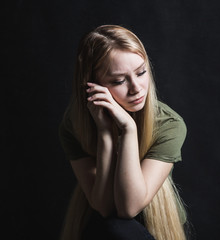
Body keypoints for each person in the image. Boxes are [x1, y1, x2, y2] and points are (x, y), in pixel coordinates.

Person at [58, 25, 188, 240]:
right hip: (101, 226)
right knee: (112, 228)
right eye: (119, 81)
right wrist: (106, 134)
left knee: (122, 229)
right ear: (91, 86)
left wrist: (128, 130)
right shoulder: (73, 126)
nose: (136, 88)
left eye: (141, 72)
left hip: (153, 226)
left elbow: (129, 208)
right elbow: (104, 206)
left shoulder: (169, 124)